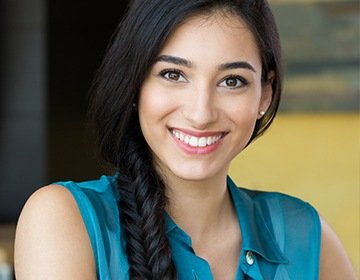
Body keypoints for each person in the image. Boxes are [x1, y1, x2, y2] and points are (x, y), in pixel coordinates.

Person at [14, 0, 356, 279]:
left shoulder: (306, 236)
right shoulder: (64, 219)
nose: (200, 113)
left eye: (232, 80)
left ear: (264, 94)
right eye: (173, 74)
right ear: (135, 85)